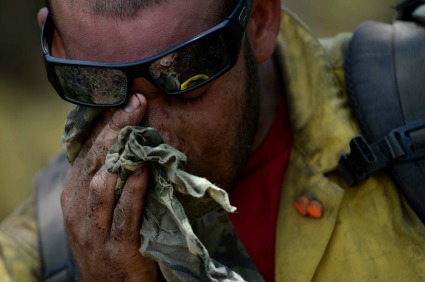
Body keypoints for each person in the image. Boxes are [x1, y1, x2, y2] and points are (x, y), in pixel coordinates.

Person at [1, 0, 425, 281]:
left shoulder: (411, 105)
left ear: (259, 18)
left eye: (186, 76)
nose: (150, 134)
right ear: (57, 45)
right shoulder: (35, 257)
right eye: (100, 84)